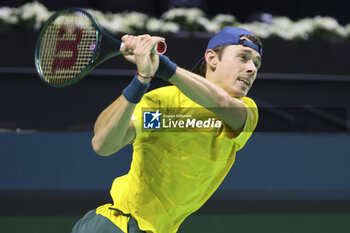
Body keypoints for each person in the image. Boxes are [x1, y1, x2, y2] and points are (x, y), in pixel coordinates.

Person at [71, 27, 262, 233]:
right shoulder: (166, 106)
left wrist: (164, 67)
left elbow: (221, 104)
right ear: (212, 58)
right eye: (243, 57)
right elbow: (103, 144)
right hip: (119, 225)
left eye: (257, 64)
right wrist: (141, 80)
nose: (252, 68)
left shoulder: (245, 111)